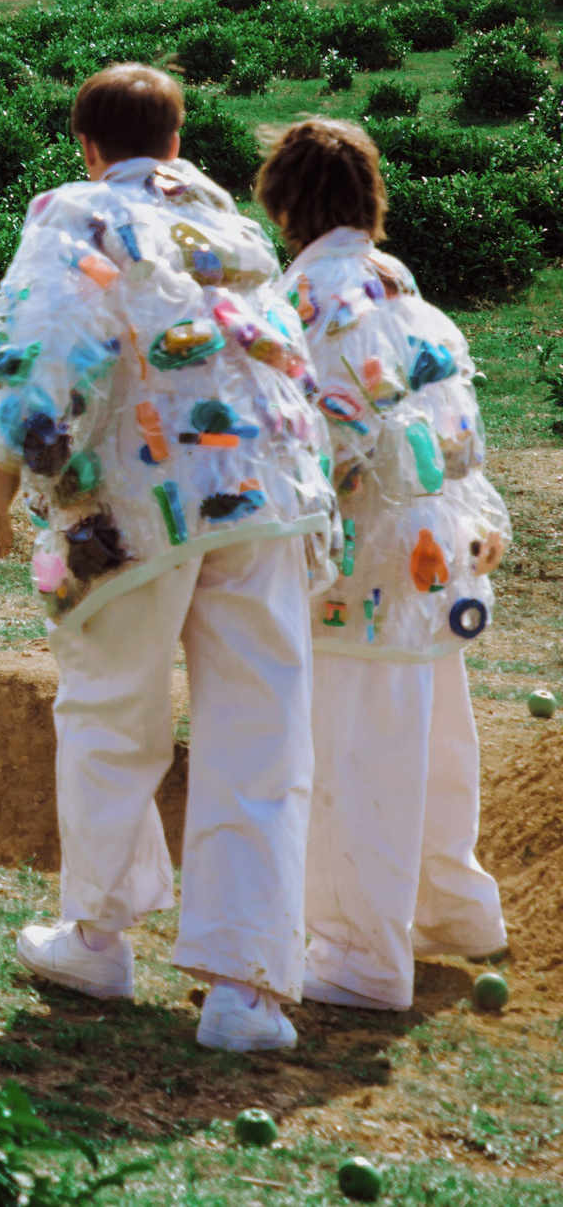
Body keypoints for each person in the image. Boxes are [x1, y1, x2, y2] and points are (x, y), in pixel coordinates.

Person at [0, 65, 338, 1053]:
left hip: (140, 503)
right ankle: (246, 990)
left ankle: (96, 934)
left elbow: (44, 333)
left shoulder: (77, 210)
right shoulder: (230, 226)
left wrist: (1, 468)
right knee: (260, 733)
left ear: (86, 145)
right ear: (174, 143)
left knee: (108, 712)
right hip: (264, 498)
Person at [259, 118, 509, 1010]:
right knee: (436, 734)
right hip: (438, 549)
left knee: (356, 754)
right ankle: (454, 911)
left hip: (360, 561)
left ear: (284, 199)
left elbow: (315, 439)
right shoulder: (398, 281)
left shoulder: (305, 295)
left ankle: (363, 952)